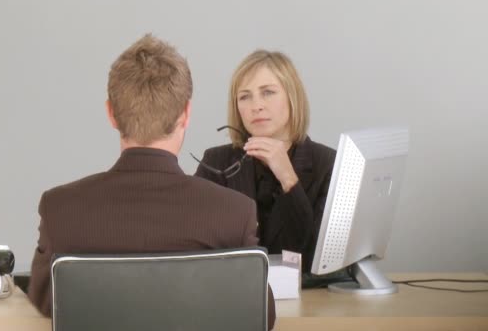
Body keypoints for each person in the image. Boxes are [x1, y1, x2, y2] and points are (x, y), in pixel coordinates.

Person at [27, 35, 275, 329]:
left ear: (111, 114)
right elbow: (261, 315)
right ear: (185, 114)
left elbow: (45, 303)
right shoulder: (234, 213)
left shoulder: (60, 209)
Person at [194, 50, 336, 273]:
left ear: (292, 97)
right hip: (236, 297)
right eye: (245, 96)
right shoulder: (217, 161)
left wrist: (288, 179)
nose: (256, 105)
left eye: (268, 92)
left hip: (309, 300)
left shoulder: (327, 163)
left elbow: (315, 259)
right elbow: (197, 248)